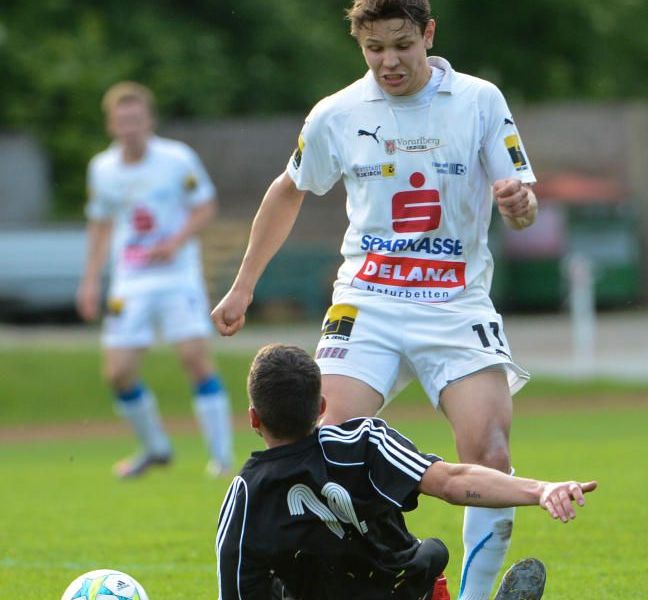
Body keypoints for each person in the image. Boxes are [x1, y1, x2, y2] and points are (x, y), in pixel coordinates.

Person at [211, 1, 538, 597]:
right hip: (367, 303)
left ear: (428, 34)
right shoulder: (337, 113)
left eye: (401, 45)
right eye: (374, 49)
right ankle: (382, 581)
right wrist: (243, 284)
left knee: (489, 452)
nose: (389, 61)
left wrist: (520, 206)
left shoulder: (479, 101)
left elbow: (521, 203)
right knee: (323, 446)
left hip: (455, 303)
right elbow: (288, 191)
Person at [215, 344, 597, 600]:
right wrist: (541, 489)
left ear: (253, 418)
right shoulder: (363, 441)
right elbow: (452, 482)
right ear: (321, 407)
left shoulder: (246, 494)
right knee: (425, 554)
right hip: (405, 589)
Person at [76, 81, 234, 478]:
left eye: (136, 119)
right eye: (121, 120)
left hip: (178, 276)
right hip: (130, 281)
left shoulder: (177, 159)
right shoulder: (103, 168)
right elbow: (99, 225)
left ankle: (221, 458)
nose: (130, 127)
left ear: (149, 120)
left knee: (194, 358)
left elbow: (205, 206)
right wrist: (90, 280)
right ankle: (155, 448)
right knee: (117, 372)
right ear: (111, 125)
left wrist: (174, 241)